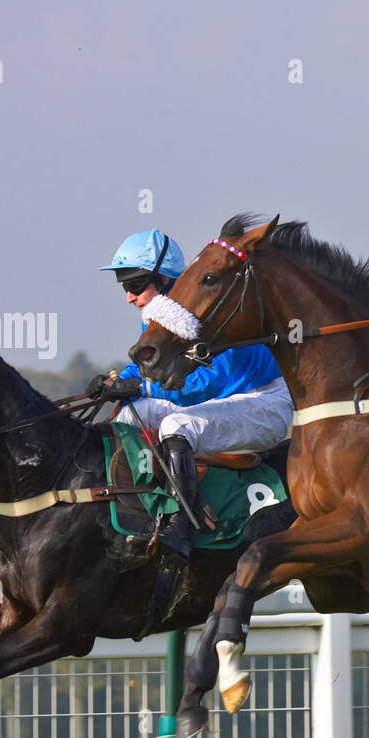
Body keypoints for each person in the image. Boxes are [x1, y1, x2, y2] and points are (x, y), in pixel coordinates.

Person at [89, 229, 292, 563]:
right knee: (128, 416)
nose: (128, 297)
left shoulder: (210, 312)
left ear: (165, 280)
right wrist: (115, 386)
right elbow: (143, 369)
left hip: (263, 401)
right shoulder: (159, 320)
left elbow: (211, 380)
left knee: (177, 427)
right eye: (125, 287)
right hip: (218, 405)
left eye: (134, 285)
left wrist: (142, 387)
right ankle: (136, 512)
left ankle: (180, 524)